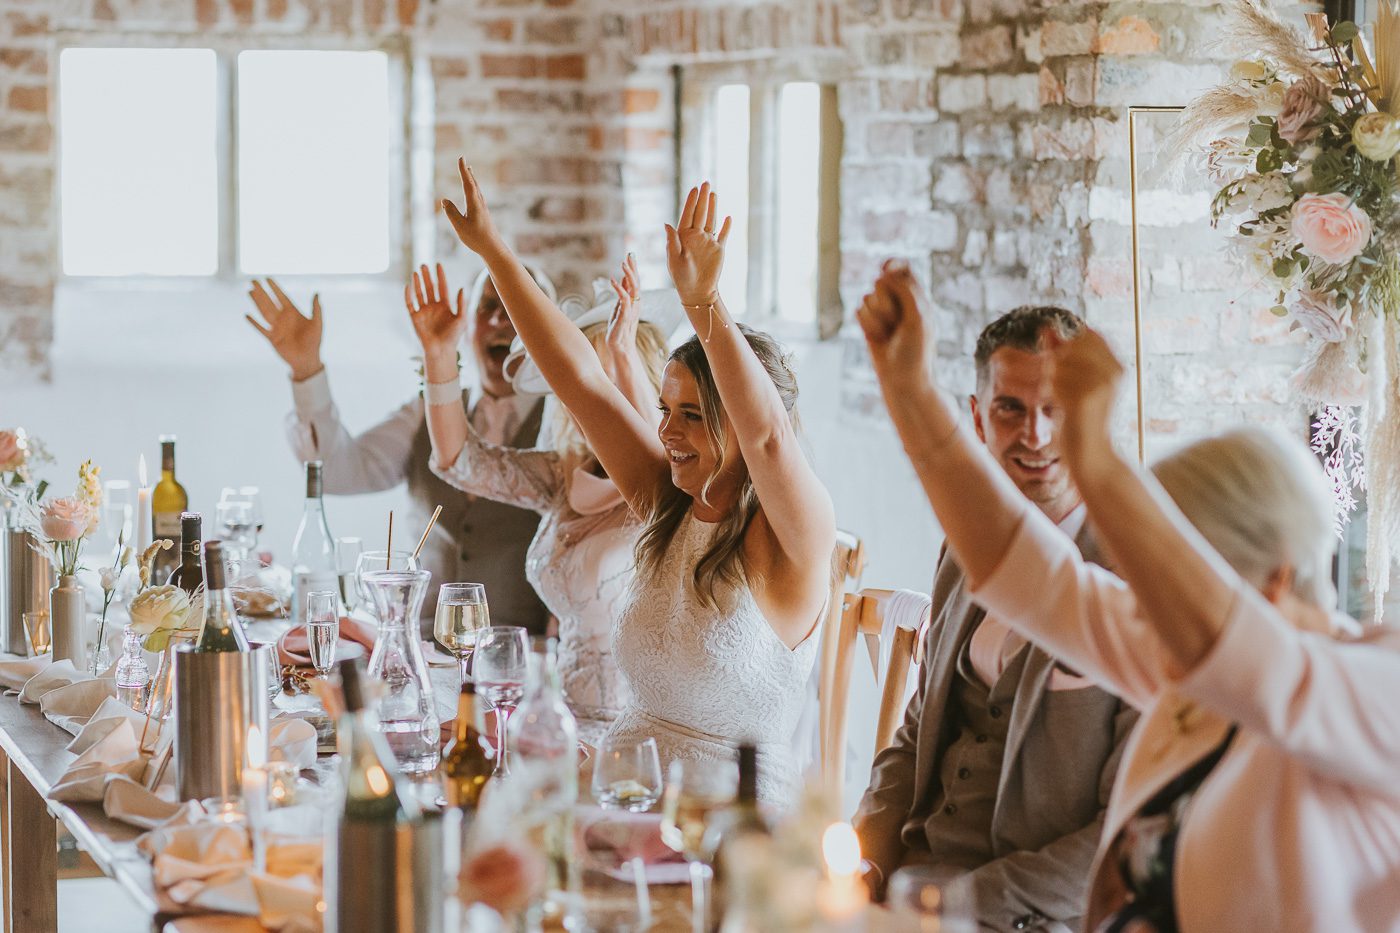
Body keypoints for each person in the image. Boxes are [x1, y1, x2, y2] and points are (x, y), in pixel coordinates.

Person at [857, 260, 1400, 932]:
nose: (1132, 601)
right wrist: (911, 395)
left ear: (1275, 577)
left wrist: (1097, 458)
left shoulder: (1375, 687)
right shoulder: (1184, 673)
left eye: (1158, 576)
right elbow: (1029, 571)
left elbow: (1263, 671)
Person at [439, 163, 835, 804]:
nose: (669, 434)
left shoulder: (794, 538)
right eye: (665, 411)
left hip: (731, 829)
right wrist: (493, 251)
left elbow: (768, 440)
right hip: (622, 797)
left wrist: (704, 305)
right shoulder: (669, 501)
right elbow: (578, 379)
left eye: (693, 416)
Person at [852, 302, 1137, 931]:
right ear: (978, 417)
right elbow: (916, 729)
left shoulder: (1135, 576)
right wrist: (864, 862)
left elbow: (1125, 831)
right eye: (1011, 408)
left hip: (1031, 913)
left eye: (1055, 410)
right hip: (911, 887)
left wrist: (968, 903)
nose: (1034, 435)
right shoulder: (963, 546)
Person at [404, 256, 670, 744]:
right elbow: (461, 459)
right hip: (555, 715)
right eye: (579, 388)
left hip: (628, 733)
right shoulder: (565, 474)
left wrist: (622, 352)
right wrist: (440, 355)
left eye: (602, 385)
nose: (589, 402)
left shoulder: (672, 489)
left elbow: (655, 457)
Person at [245, 275, 552, 630]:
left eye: (516, 308)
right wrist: (306, 369)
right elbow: (336, 472)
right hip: (420, 645)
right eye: (487, 307)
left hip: (521, 653)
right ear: (467, 325)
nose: (500, 320)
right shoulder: (427, 411)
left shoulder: (564, 425)